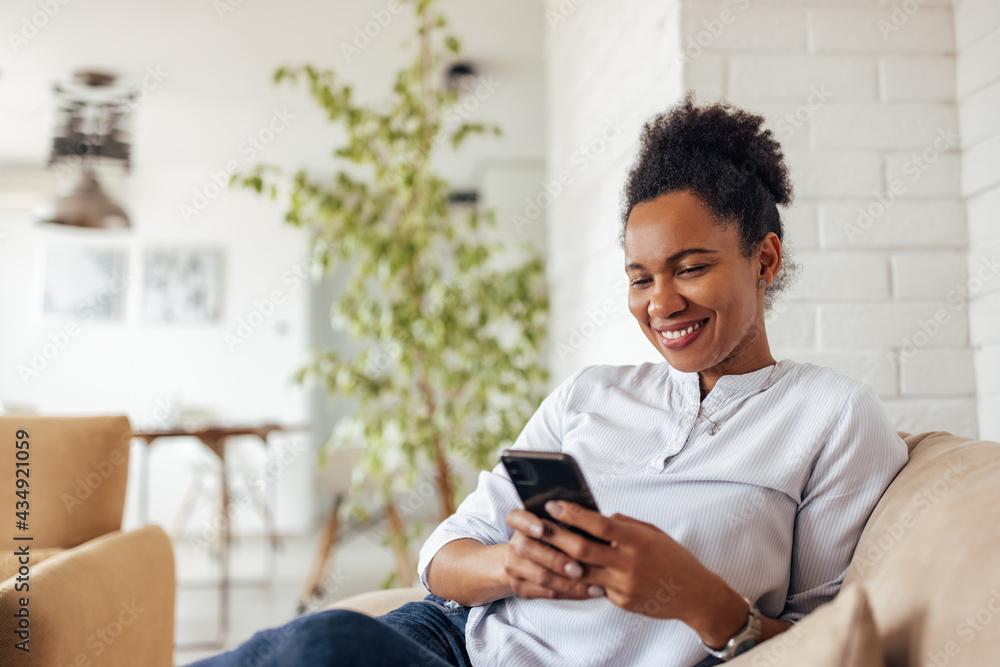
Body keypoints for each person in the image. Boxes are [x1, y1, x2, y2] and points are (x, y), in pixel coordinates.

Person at [189, 93, 908, 667]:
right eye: (640, 277)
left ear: (765, 258)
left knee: (323, 647)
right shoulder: (591, 394)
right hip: (450, 638)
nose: (661, 303)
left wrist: (697, 599)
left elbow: (825, 643)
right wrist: (514, 567)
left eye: (690, 267)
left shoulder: (833, 416)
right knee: (283, 647)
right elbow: (443, 553)